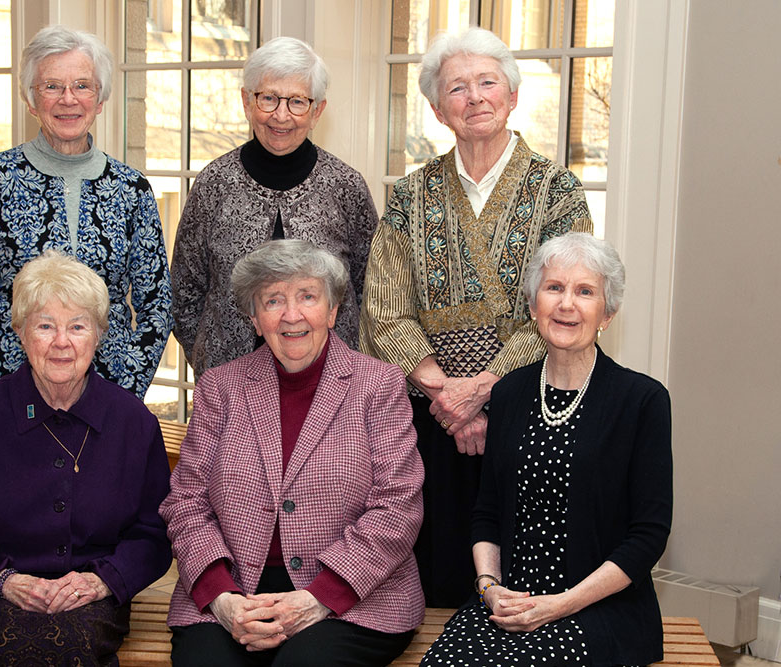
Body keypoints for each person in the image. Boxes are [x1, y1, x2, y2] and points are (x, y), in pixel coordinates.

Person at [360, 27, 593, 607]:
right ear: (440, 111)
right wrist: (449, 399)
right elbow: (384, 310)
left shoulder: (557, 191)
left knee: (522, 583)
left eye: (488, 82)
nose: (475, 97)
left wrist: (486, 392)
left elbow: (567, 305)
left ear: (512, 96)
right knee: (434, 581)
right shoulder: (409, 195)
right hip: (429, 424)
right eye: (457, 88)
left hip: (528, 413)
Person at [160, 239, 425, 666]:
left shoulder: (379, 385)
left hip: (355, 596)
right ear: (254, 317)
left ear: (333, 310)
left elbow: (398, 507)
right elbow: (186, 503)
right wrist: (223, 599)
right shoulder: (220, 388)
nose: (292, 315)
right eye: (273, 300)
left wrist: (319, 598)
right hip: (234, 592)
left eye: (307, 296)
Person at [420, 233, 672, 666]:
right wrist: (489, 587)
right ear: (534, 306)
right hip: (509, 603)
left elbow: (648, 535)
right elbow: (488, 513)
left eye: (585, 292)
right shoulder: (510, 394)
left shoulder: (642, 400)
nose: (566, 304)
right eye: (554, 288)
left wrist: (560, 604)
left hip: (597, 610)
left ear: (607, 315)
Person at [0, 250, 172, 665]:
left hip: (90, 599)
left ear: (98, 334)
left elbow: (153, 534)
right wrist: (3, 581)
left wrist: (101, 582)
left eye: (77, 326)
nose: (61, 342)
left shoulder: (133, 422)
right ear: (20, 331)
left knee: (61, 643)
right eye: (45, 326)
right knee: (20, 642)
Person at [0, 24, 171, 400]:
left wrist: (126, 392)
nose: (68, 99)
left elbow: (157, 304)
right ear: (31, 100)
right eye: (52, 86)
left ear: (100, 100)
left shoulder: (132, 189)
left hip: (108, 391)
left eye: (82, 86)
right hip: (13, 389)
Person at [171, 36, 379, 379]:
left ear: (317, 111)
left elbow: (370, 290)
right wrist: (212, 366)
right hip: (230, 387)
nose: (281, 115)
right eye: (268, 98)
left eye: (297, 101)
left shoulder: (346, 186)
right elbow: (184, 290)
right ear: (246, 101)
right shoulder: (213, 184)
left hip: (331, 385)